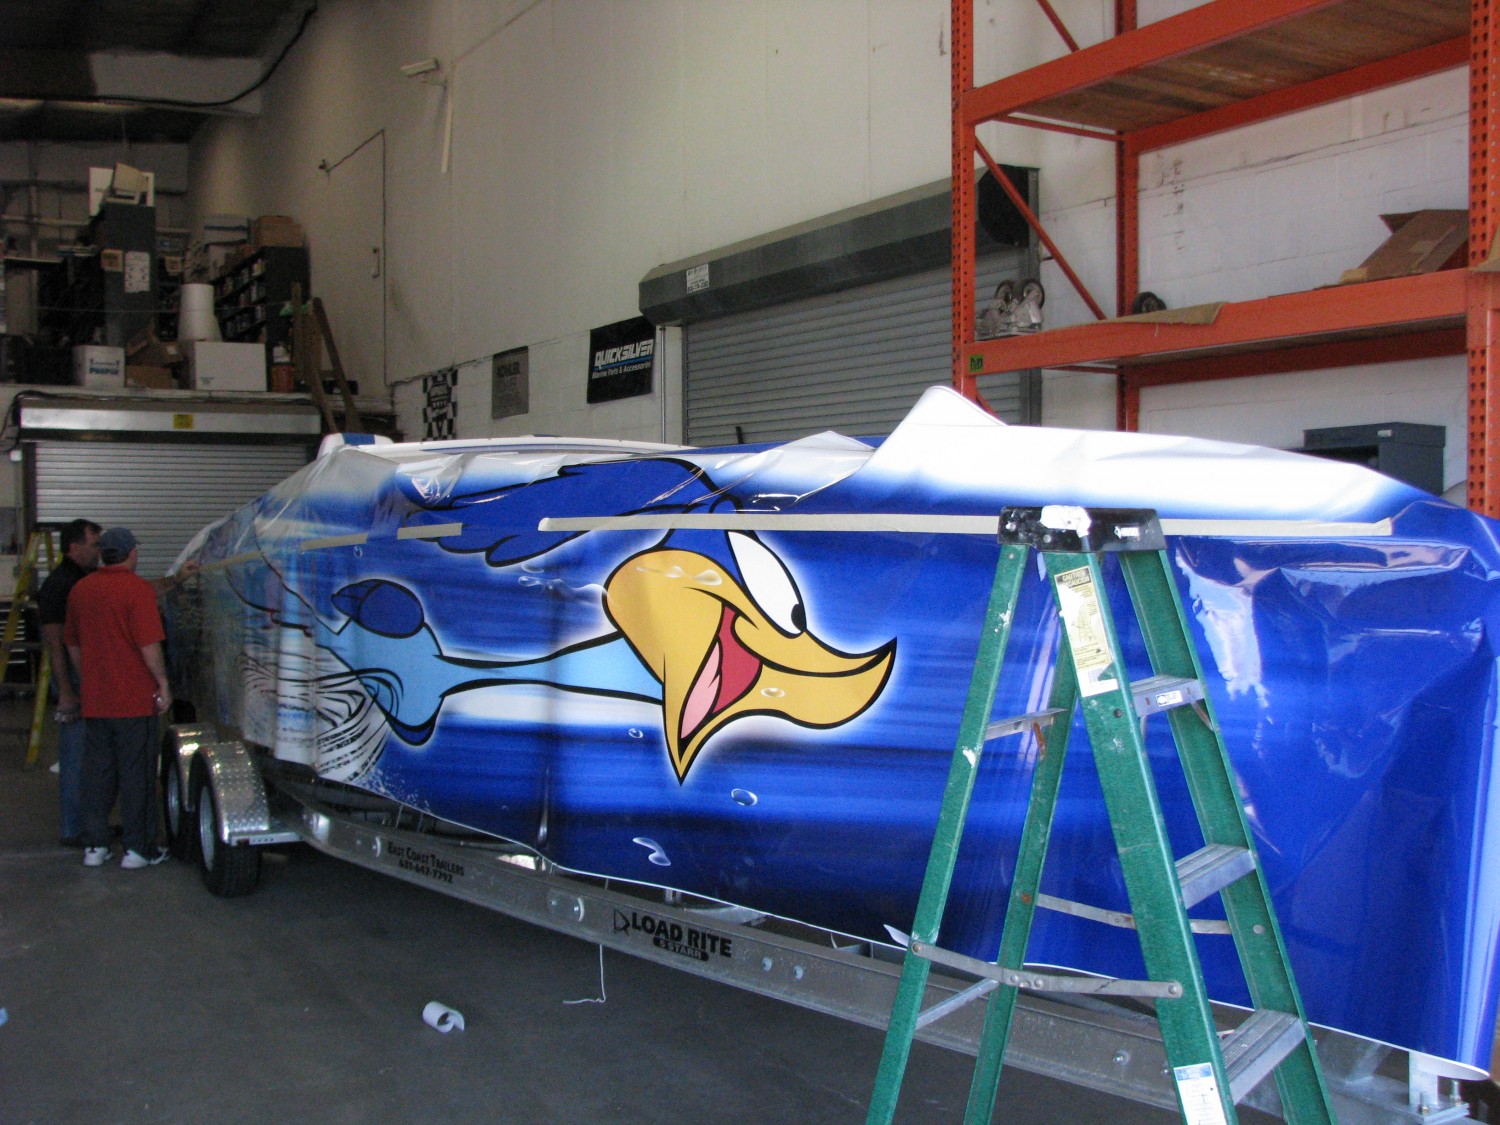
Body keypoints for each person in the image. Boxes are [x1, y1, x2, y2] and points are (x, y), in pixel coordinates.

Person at [65, 527, 174, 869]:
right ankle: (138, 849)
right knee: (136, 775)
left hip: (97, 701)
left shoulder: (81, 590)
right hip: (134, 700)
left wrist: (89, 680)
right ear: (131, 553)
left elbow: (72, 644)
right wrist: (163, 683)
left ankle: (95, 846)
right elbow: (148, 645)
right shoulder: (137, 591)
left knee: (97, 775)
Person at [36, 518, 101, 847]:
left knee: (89, 757)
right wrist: (66, 691)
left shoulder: (84, 579)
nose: (99, 551)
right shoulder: (60, 584)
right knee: (75, 756)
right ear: (74, 547)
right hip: (72, 680)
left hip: (83, 677)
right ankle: (73, 828)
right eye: (94, 544)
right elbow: (55, 643)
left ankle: (89, 824)